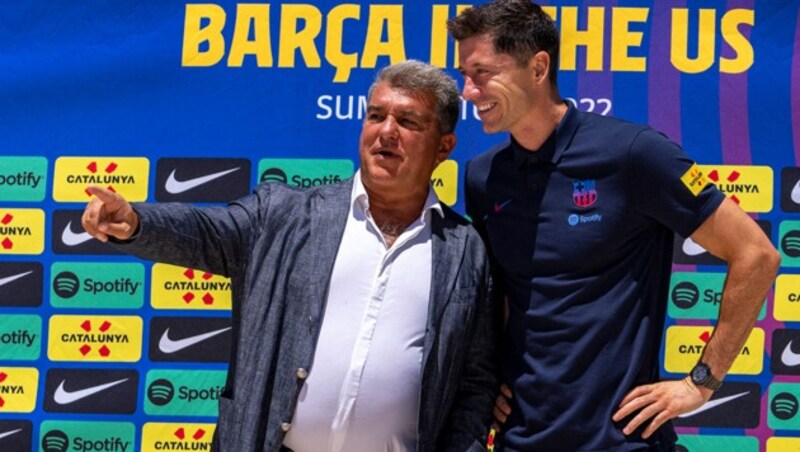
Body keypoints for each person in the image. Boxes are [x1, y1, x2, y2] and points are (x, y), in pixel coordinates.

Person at [81, 60, 497, 452]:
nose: (386, 131)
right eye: (375, 116)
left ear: (443, 147)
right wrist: (136, 223)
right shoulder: (286, 215)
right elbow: (207, 233)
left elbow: (474, 383)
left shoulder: (464, 249)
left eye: (407, 122)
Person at [447, 1, 780, 450]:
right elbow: (502, 299)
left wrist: (700, 381)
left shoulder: (634, 153)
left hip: (622, 440)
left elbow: (756, 254)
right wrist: (490, 382)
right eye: (465, 74)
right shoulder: (484, 176)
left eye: (482, 72)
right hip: (519, 439)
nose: (468, 91)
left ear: (538, 67)